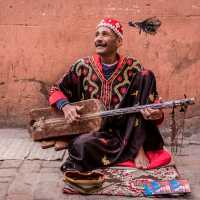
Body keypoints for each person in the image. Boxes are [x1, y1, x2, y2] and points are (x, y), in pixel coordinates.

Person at [49, 18, 164, 172]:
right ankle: (127, 150)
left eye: (105, 34)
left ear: (118, 42)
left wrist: (157, 114)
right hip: (98, 133)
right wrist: (66, 106)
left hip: (129, 129)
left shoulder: (133, 67)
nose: (99, 38)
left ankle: (137, 148)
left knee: (146, 75)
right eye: (96, 35)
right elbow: (55, 89)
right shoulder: (82, 66)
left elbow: (153, 105)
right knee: (79, 146)